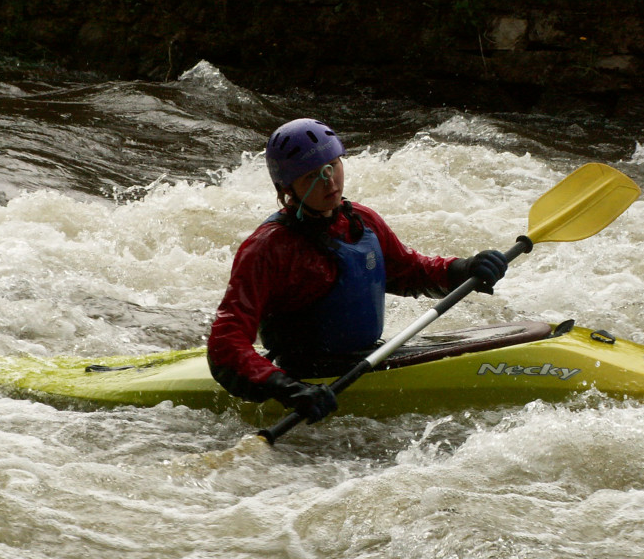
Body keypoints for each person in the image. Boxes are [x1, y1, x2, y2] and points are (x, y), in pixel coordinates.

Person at [206, 118, 508, 425]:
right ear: (287, 189)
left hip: (365, 356)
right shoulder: (267, 248)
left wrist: (463, 269)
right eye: (312, 175)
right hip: (309, 377)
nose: (330, 182)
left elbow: (410, 272)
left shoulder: (360, 220)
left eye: (333, 166)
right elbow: (225, 342)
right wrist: (288, 389)